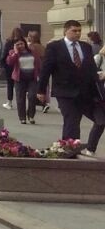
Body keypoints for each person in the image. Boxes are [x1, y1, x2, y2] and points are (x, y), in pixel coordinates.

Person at [37, 19, 105, 155]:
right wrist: (41, 90)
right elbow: (46, 70)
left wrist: (99, 85)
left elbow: (91, 69)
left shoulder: (86, 47)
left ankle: (89, 148)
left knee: (101, 119)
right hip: (65, 92)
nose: (78, 33)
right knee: (72, 120)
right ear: (66, 31)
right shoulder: (55, 47)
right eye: (74, 30)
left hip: (86, 92)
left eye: (79, 31)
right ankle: (69, 151)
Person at [5, 38, 40, 125]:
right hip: (19, 79)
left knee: (32, 97)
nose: (20, 46)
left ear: (25, 44)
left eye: (21, 44)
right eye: (18, 44)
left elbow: (38, 63)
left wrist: (40, 74)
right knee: (20, 98)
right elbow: (9, 62)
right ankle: (22, 118)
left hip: (32, 78)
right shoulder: (13, 52)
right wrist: (16, 52)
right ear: (15, 46)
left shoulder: (32, 51)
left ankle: (31, 115)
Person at [0, 26, 23, 110]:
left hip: (9, 65)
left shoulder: (9, 42)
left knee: (10, 84)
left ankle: (9, 102)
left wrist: (1, 65)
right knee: (19, 85)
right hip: (20, 65)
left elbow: (4, 54)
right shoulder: (23, 42)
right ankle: (20, 102)